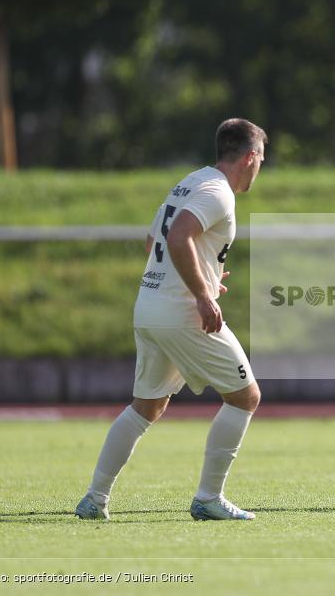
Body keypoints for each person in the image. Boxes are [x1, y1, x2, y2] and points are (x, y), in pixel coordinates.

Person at [75, 118, 267, 521]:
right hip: (182, 314)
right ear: (249, 156)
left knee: (146, 407)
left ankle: (95, 498)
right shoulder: (219, 193)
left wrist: (207, 275)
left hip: (149, 306)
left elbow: (154, 241)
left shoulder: (189, 182)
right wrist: (201, 294)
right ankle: (208, 498)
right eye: (261, 160)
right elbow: (179, 238)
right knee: (245, 397)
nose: (259, 169)